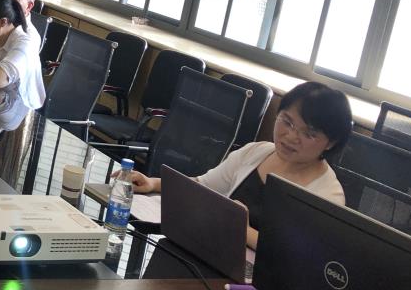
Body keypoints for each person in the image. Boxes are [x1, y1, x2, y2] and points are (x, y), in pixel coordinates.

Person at [128, 80, 351, 249]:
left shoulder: (327, 196)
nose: (291, 136)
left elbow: (300, 258)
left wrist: (243, 231)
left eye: (309, 133)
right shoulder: (257, 152)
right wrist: (153, 183)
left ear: (331, 143)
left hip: (261, 287)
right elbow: (203, 186)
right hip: (213, 251)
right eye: (287, 121)